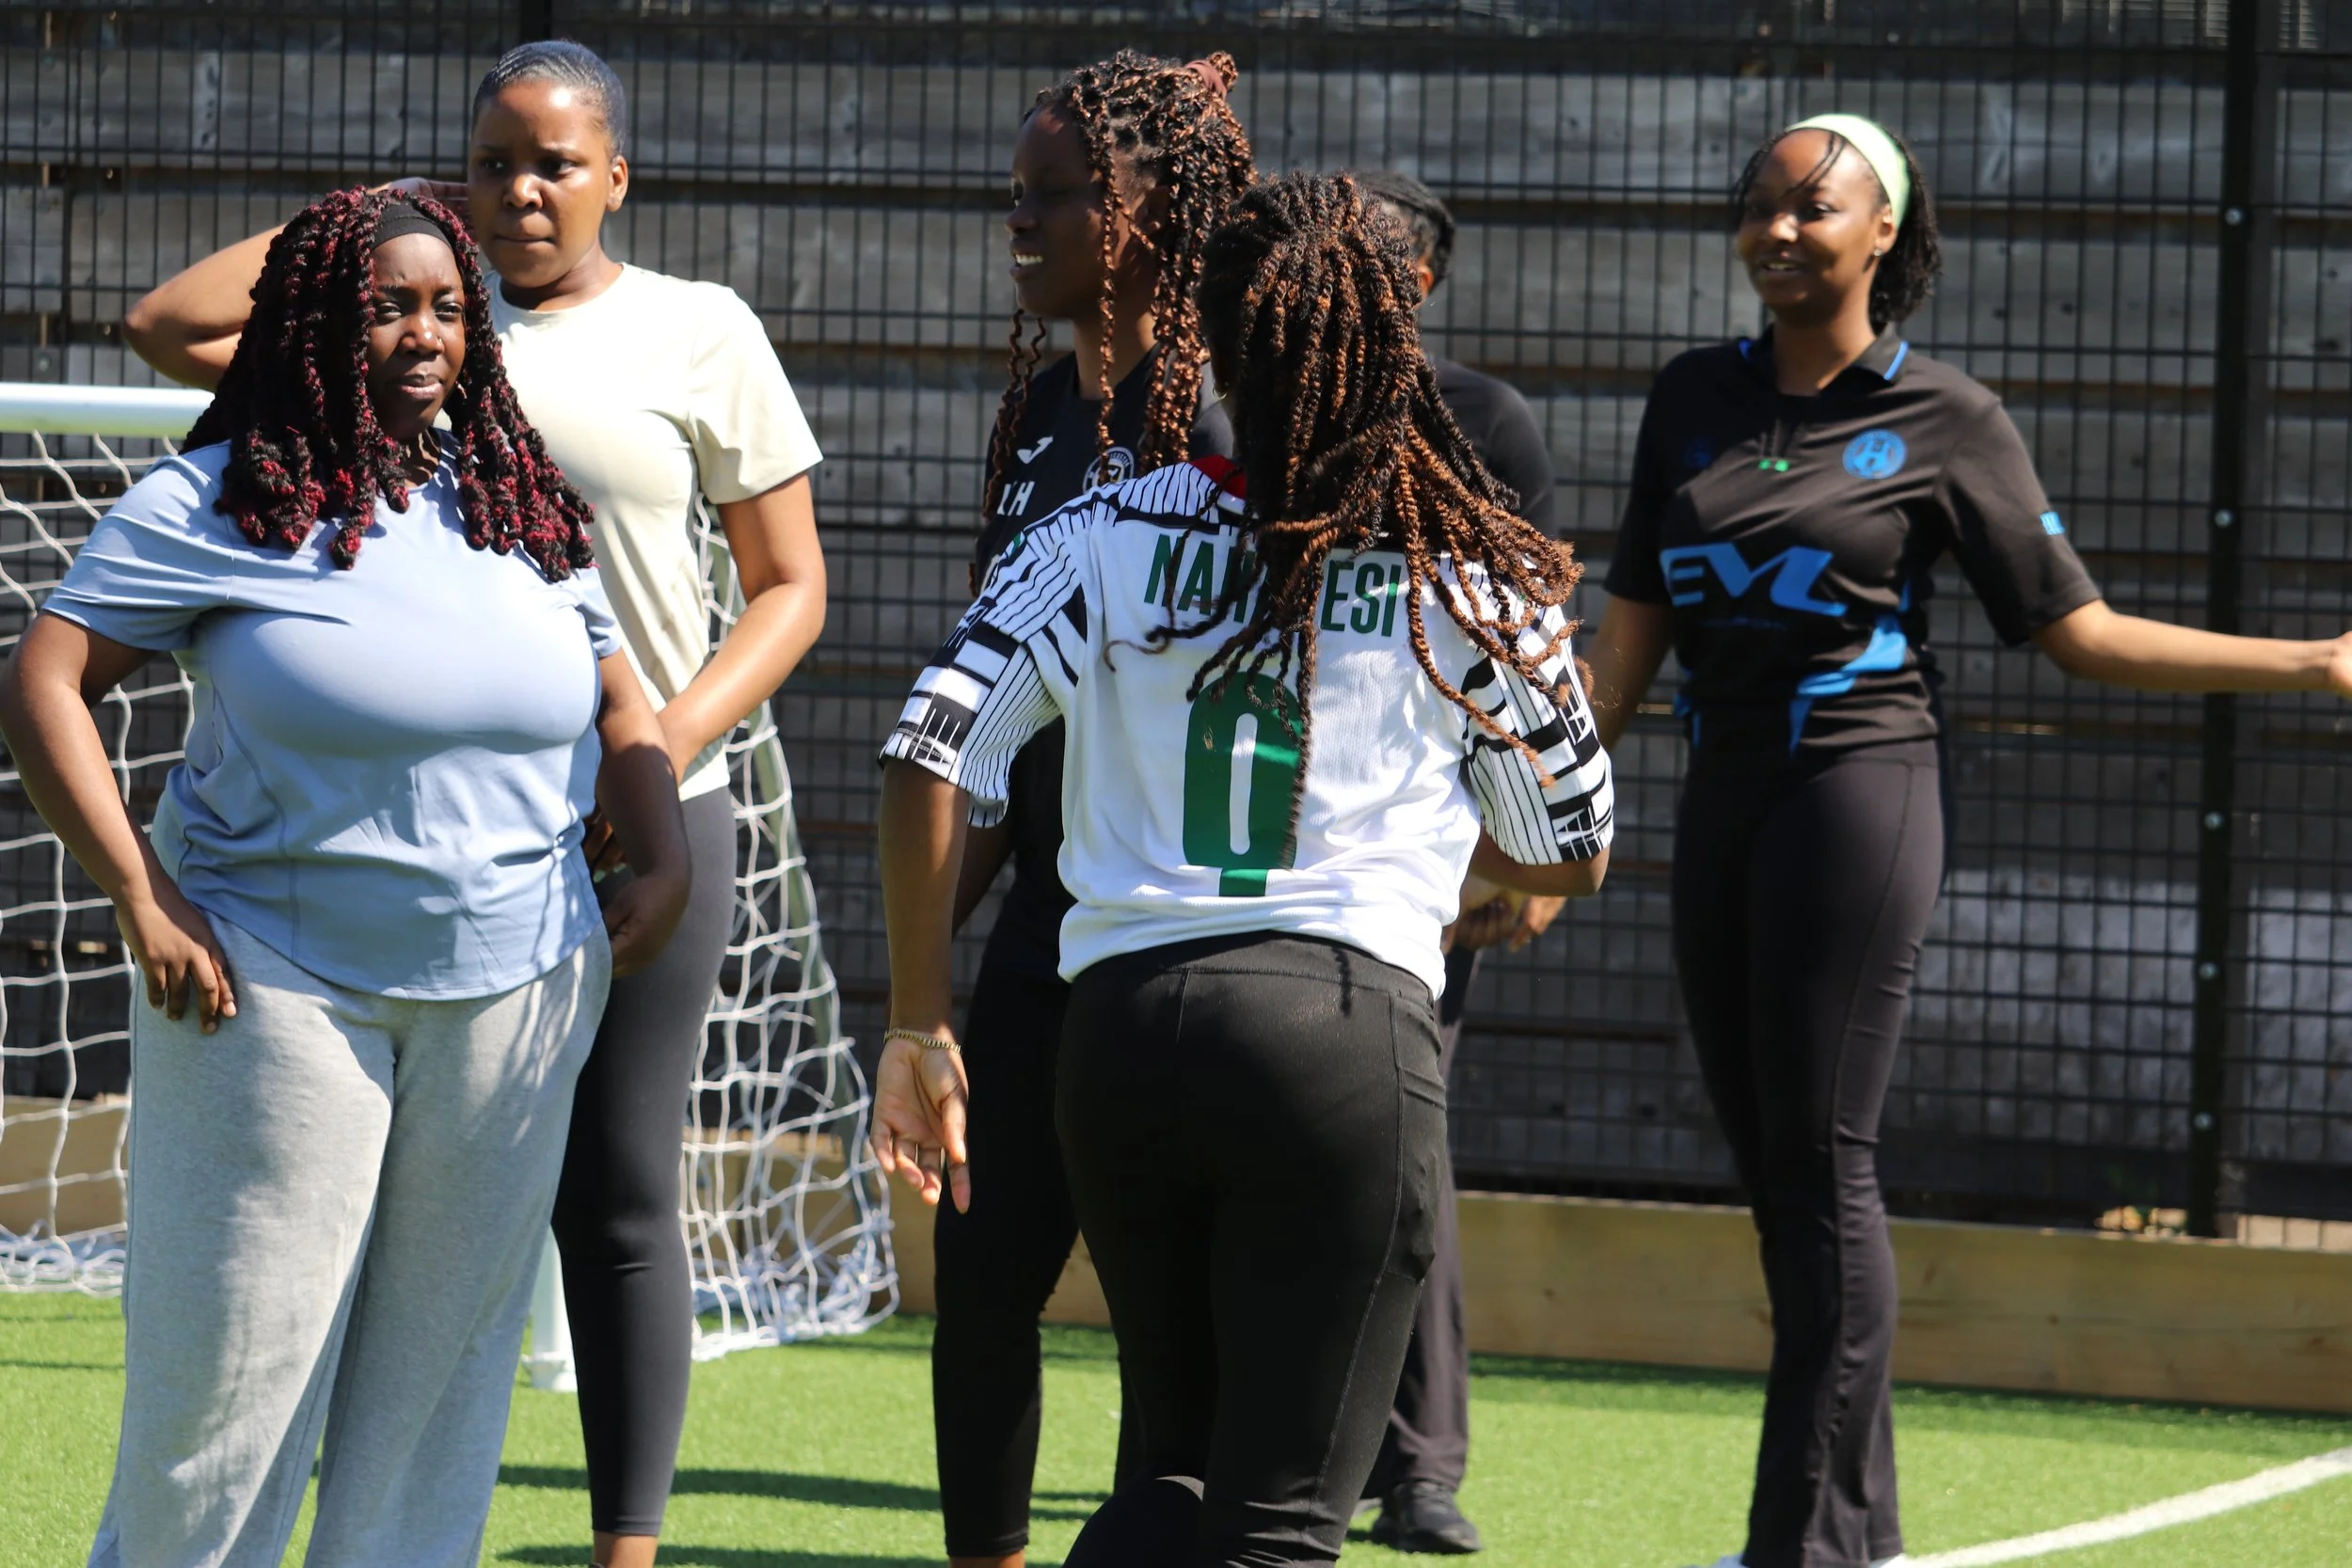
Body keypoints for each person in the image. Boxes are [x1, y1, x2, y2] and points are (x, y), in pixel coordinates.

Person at [1574, 115, 2352, 1568]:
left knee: (1821, 1164)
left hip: (1857, 798)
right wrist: (1530, 835)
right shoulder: (1688, 397)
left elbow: (2084, 633)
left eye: (1817, 207)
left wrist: (2312, 662)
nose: (1780, 231)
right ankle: (1849, 1529)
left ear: (1887, 233)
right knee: (1778, 1177)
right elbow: (1619, 660)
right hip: (1722, 802)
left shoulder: (1949, 416)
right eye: (1760, 206)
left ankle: (1798, 1541)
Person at [121, 41, 830, 1568]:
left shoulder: (700, 334)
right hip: (406, 830)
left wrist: (656, 749)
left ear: (616, 176)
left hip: (643, 807)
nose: (522, 188)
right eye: (494, 157)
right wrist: (391, 222)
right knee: (352, 1221)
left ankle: (623, 1547)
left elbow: (789, 586)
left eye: (557, 162)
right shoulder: (399, 312)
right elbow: (170, 322)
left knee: (621, 1192)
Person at [871, 172, 1616, 1568]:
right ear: (1397, 351)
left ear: (1210, 336)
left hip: (1123, 1037)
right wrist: (1437, 842)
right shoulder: (1465, 564)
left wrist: (919, 1017)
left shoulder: (1106, 527)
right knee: (1277, 1527)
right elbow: (1571, 845)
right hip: (1342, 1041)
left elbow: (926, 747)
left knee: (1168, 1478)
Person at [0, 187, 691, 1568]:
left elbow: (622, 709)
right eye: (389, 304)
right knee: (231, 1405)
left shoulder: (520, 501)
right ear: (320, 318)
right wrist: (141, 889)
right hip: (274, 995)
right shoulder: (223, 494)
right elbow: (46, 680)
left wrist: (664, 856)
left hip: (518, 998)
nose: (427, 334)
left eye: (449, 306)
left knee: (433, 1416)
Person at [936, 48, 1252, 1568]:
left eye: (1055, 195)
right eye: (1018, 194)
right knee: (981, 1275)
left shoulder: (1240, 414)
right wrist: (923, 964)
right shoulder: (1040, 415)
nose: (1025, 222)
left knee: (1164, 1332)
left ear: (1149, 207)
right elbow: (985, 726)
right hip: (1043, 932)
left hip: (1184, 934)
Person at [1350, 167, 1560, 1557]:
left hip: (1424, 851)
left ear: (1422, 282)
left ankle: (1420, 1463)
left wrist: (1525, 849)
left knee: (1405, 1146)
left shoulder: (1485, 424)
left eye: (1368, 257)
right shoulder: (1251, 416)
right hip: (1270, 844)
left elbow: (1537, 642)